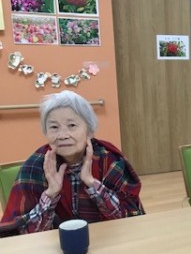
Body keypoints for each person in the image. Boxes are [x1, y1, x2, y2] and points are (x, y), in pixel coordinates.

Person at [1, 90, 144, 235]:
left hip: (107, 238)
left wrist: (92, 183)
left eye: (72, 125)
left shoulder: (109, 160)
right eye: (54, 127)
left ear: (89, 131)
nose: (63, 135)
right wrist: (51, 194)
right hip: (55, 244)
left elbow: (129, 219)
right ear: (46, 132)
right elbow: (22, 234)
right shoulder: (36, 164)